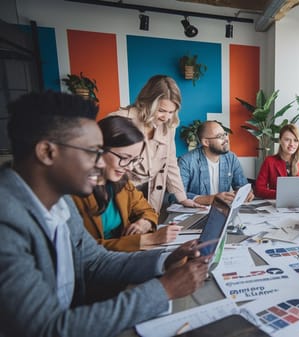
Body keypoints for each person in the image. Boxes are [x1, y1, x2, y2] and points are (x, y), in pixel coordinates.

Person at [0, 91, 210, 337]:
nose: (100, 163)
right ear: (47, 152)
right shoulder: (7, 222)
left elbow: (96, 260)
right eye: (92, 151)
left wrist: (165, 260)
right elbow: (48, 328)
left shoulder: (61, 204)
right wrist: (164, 290)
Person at [73, 116, 181, 252]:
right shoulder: (74, 192)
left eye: (134, 160)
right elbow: (83, 251)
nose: (129, 167)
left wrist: (144, 223)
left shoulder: (122, 183)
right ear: (99, 150)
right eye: (124, 158)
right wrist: (147, 240)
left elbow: (148, 211)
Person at [109, 75, 200, 212]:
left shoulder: (169, 125)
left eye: (171, 112)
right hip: (120, 193)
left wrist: (182, 198)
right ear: (146, 103)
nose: (166, 117)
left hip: (152, 193)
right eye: (161, 110)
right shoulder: (119, 120)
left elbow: (170, 162)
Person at [178, 120, 254, 205]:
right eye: (219, 136)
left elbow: (241, 185)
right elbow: (176, 195)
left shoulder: (231, 157)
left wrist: (246, 193)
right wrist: (210, 199)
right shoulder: (187, 161)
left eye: (225, 134)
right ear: (206, 142)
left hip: (223, 211)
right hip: (196, 212)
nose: (226, 139)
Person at [255, 123, 299, 199]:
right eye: (287, 140)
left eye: (295, 140)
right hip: (277, 205)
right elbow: (259, 190)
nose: (292, 144)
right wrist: (280, 195)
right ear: (280, 141)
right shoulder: (269, 161)